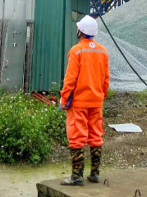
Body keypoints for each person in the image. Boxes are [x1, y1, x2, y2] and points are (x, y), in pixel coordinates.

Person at [59, 15, 110, 186]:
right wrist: (101, 95)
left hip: (79, 103)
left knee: (77, 137)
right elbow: (106, 79)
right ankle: (94, 174)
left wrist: (64, 99)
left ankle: (77, 176)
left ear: (80, 31)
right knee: (96, 136)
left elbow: (70, 79)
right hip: (96, 101)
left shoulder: (76, 50)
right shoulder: (103, 51)